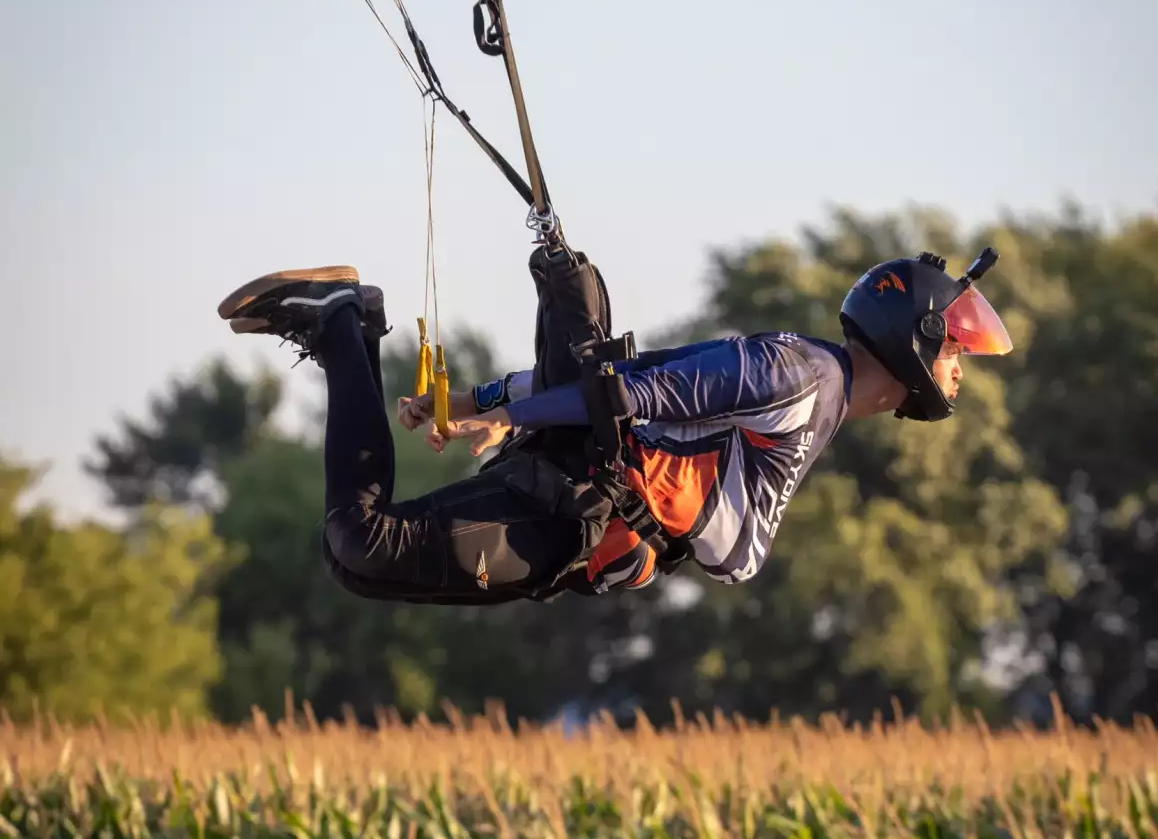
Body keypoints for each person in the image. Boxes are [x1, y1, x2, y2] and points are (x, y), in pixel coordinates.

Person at [216, 244, 1011, 606]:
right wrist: (506, 414)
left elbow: (628, 383)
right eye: (958, 349)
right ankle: (342, 324)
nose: (961, 369)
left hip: (578, 523)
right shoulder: (798, 374)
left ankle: (350, 325)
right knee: (361, 543)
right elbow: (636, 391)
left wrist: (478, 402)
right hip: (569, 502)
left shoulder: (819, 398)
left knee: (355, 564)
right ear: (918, 336)